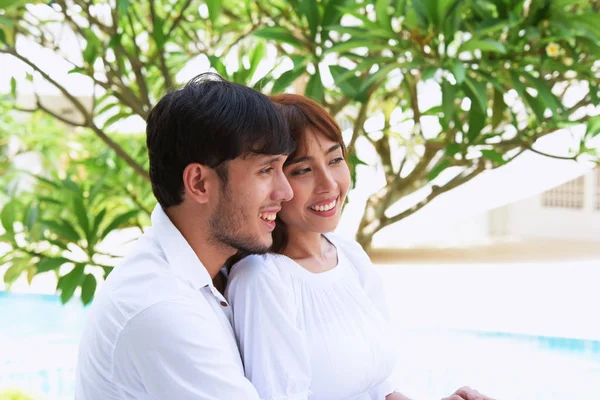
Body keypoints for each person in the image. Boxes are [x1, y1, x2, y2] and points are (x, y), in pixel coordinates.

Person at [226, 94, 494, 400]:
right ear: (272, 182)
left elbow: (379, 389)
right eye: (303, 170)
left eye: (335, 159)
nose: (328, 183)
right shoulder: (261, 280)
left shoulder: (348, 255)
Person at [74, 73, 295, 399]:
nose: (285, 191)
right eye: (266, 170)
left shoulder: (217, 272)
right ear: (199, 183)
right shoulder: (161, 305)